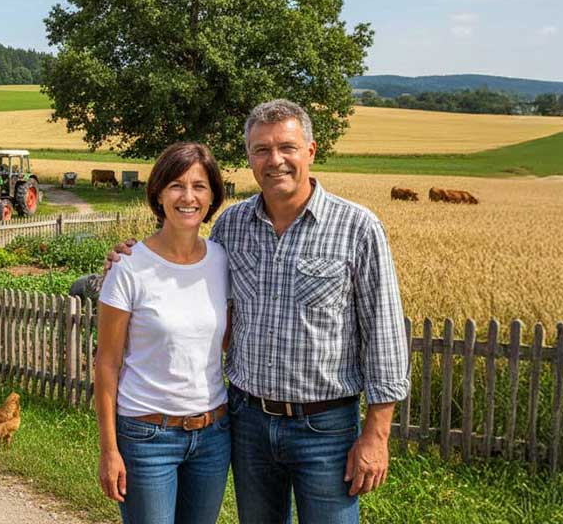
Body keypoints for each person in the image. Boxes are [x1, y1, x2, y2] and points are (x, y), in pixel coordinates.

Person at [105, 99, 409, 524]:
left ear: (310, 151)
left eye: (286, 147)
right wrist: (126, 257)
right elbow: (182, 263)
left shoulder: (358, 228)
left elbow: (386, 335)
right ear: (249, 157)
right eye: (261, 149)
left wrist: (376, 434)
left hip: (325, 428)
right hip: (248, 424)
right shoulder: (232, 227)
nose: (275, 160)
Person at [94, 141, 232, 524]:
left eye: (199, 186)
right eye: (176, 185)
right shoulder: (129, 267)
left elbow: (223, 340)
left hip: (213, 435)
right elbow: (106, 364)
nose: (188, 197)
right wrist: (109, 450)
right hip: (147, 436)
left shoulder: (222, 261)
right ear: (157, 193)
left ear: (212, 196)